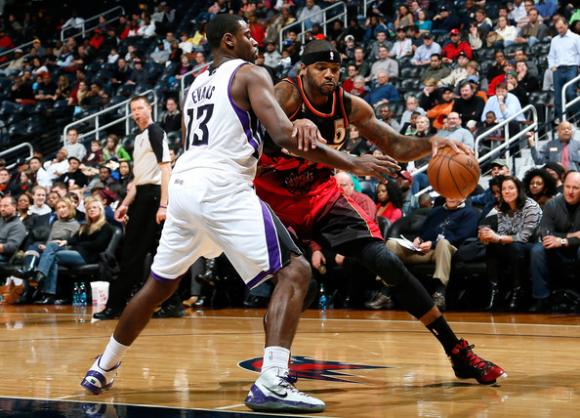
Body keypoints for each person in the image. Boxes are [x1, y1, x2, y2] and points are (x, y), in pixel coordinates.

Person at [81, 15, 398, 413]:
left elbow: (217, 135)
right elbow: (283, 138)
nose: (255, 40)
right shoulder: (250, 73)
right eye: (248, 35)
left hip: (184, 184)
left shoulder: (195, 85)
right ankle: (272, 381)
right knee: (296, 271)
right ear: (229, 41)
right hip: (222, 184)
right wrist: (352, 162)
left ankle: (103, 366)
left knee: (158, 286)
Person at [254, 38, 506, 392]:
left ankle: (457, 351)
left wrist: (435, 142)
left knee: (386, 261)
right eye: (320, 68)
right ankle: (275, 370)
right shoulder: (286, 94)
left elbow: (398, 145)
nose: (329, 75)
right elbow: (255, 129)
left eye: (335, 70)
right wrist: (291, 129)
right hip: (273, 202)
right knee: (302, 283)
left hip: (320, 196)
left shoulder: (348, 105)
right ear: (303, 70)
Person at [93, 95, 179, 320]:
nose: (137, 112)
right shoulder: (139, 137)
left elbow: (165, 170)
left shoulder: (155, 132)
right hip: (141, 196)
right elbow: (138, 179)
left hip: (152, 199)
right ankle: (173, 304)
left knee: (131, 253)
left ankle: (116, 305)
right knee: (158, 254)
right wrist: (124, 204)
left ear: (150, 109)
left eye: (140, 108)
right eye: (133, 109)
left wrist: (163, 205)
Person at [386, 197, 479, 310]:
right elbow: (424, 232)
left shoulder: (471, 213)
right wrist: (419, 239)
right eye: (448, 193)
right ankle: (385, 292)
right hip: (425, 250)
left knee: (443, 243)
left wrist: (433, 243)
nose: (451, 197)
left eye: (454, 194)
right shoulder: (436, 211)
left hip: (448, 251)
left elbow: (462, 237)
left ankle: (440, 293)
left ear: (463, 197)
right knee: (391, 244)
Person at [32, 197, 113, 305]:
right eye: (89, 209)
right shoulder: (85, 226)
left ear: (101, 210)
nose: (91, 210)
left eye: (94, 208)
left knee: (53, 254)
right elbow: (74, 239)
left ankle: (40, 275)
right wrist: (65, 242)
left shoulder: (106, 227)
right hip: (78, 253)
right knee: (52, 248)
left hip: (89, 257)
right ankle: (49, 293)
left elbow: (97, 245)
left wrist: (77, 244)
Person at [478, 176, 542, 311]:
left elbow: (525, 237)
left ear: (519, 190)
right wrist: (486, 234)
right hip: (512, 244)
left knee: (514, 247)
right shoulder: (502, 207)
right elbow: (495, 228)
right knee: (493, 246)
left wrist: (498, 237)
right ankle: (494, 291)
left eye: (511, 188)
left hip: (535, 245)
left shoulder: (531, 206)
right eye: (504, 189)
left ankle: (517, 292)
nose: (506, 191)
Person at [529, 171, 580, 312]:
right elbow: (546, 234)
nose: (570, 191)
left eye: (575, 188)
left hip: (576, 250)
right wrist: (572, 235)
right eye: (567, 187)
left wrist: (563, 240)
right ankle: (541, 299)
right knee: (537, 250)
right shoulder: (552, 204)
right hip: (556, 250)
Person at [548, 17, 580, 121]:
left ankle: (578, 118)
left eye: (561, 27)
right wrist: (552, 66)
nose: (559, 30)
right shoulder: (554, 40)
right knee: (558, 98)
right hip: (557, 70)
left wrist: (578, 65)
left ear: (566, 25)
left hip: (572, 68)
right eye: (557, 28)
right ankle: (563, 121)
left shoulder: (576, 38)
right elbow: (551, 56)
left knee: (571, 93)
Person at [0, 196, 28, 262]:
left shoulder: (18, 226)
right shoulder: (1, 221)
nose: (2, 209)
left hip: (4, 257)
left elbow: (11, 247)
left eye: (5, 206)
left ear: (14, 207)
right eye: (0, 206)